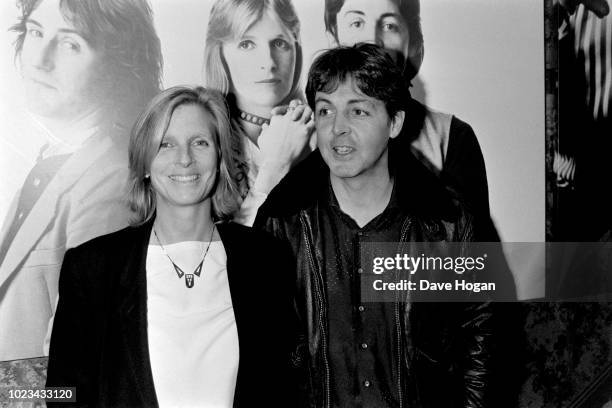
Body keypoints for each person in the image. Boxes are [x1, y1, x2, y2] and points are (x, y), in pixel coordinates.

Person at [255, 44, 495, 408]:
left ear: (395, 123)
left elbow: (480, 343)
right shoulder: (282, 221)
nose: (338, 129)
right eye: (325, 110)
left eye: (358, 111)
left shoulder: (446, 222)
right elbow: (260, 354)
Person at [46, 86, 298, 407]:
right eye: (166, 144)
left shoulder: (265, 259)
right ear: (145, 163)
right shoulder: (92, 268)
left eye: (200, 143)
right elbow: (64, 395)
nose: (184, 159)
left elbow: (287, 384)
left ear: (220, 157)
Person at [0, 0, 162, 361]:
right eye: (35, 31)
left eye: (70, 43)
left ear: (117, 64)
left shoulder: (111, 182)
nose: (38, 59)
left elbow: (79, 367)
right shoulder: (52, 159)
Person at [323, 0, 495, 240]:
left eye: (390, 25)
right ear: (333, 36)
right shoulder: (301, 135)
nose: (372, 40)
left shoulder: (450, 136)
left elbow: (473, 259)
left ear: (412, 43)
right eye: (356, 22)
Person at [204, 0, 315, 226]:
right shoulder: (202, 138)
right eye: (246, 44)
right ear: (220, 54)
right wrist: (277, 163)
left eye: (280, 43)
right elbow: (222, 254)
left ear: (297, 49)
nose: (268, 62)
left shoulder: (325, 131)